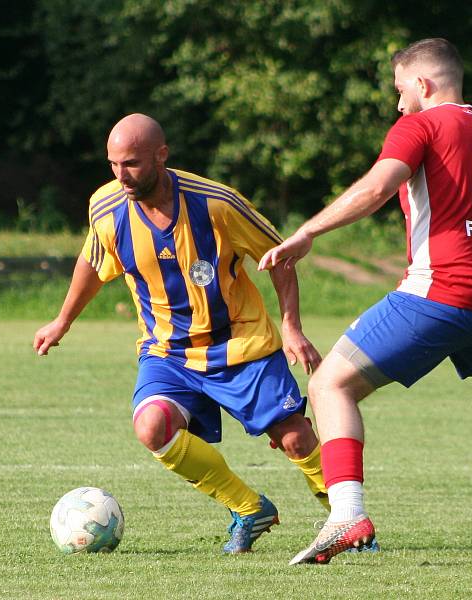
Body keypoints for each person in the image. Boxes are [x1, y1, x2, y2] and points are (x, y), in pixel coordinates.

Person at [258, 38, 472, 565]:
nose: (398, 105)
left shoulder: (420, 126)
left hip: (440, 291)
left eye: (400, 91)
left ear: (422, 85)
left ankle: (347, 512)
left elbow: (377, 188)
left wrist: (308, 233)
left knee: (330, 384)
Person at [33, 113, 329, 555]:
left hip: (239, 343)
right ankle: (249, 509)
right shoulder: (107, 206)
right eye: (113, 164)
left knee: (294, 437)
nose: (121, 175)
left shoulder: (217, 204)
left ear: (162, 155)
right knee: (152, 427)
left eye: (131, 163)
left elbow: (280, 257)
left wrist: (291, 327)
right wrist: (63, 320)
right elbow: (94, 262)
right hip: (168, 352)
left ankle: (348, 519)